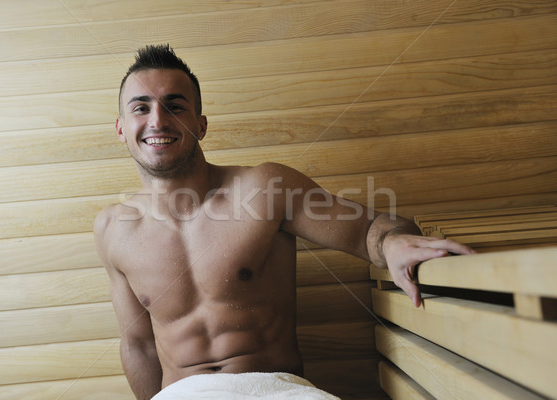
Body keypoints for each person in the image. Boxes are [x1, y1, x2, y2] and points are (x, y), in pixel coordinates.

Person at [94, 44, 474, 400]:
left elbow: (369, 231)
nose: (158, 120)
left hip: (274, 391)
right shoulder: (113, 230)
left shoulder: (265, 188)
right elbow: (139, 345)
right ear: (121, 128)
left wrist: (392, 243)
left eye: (175, 106)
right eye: (141, 108)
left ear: (201, 124)